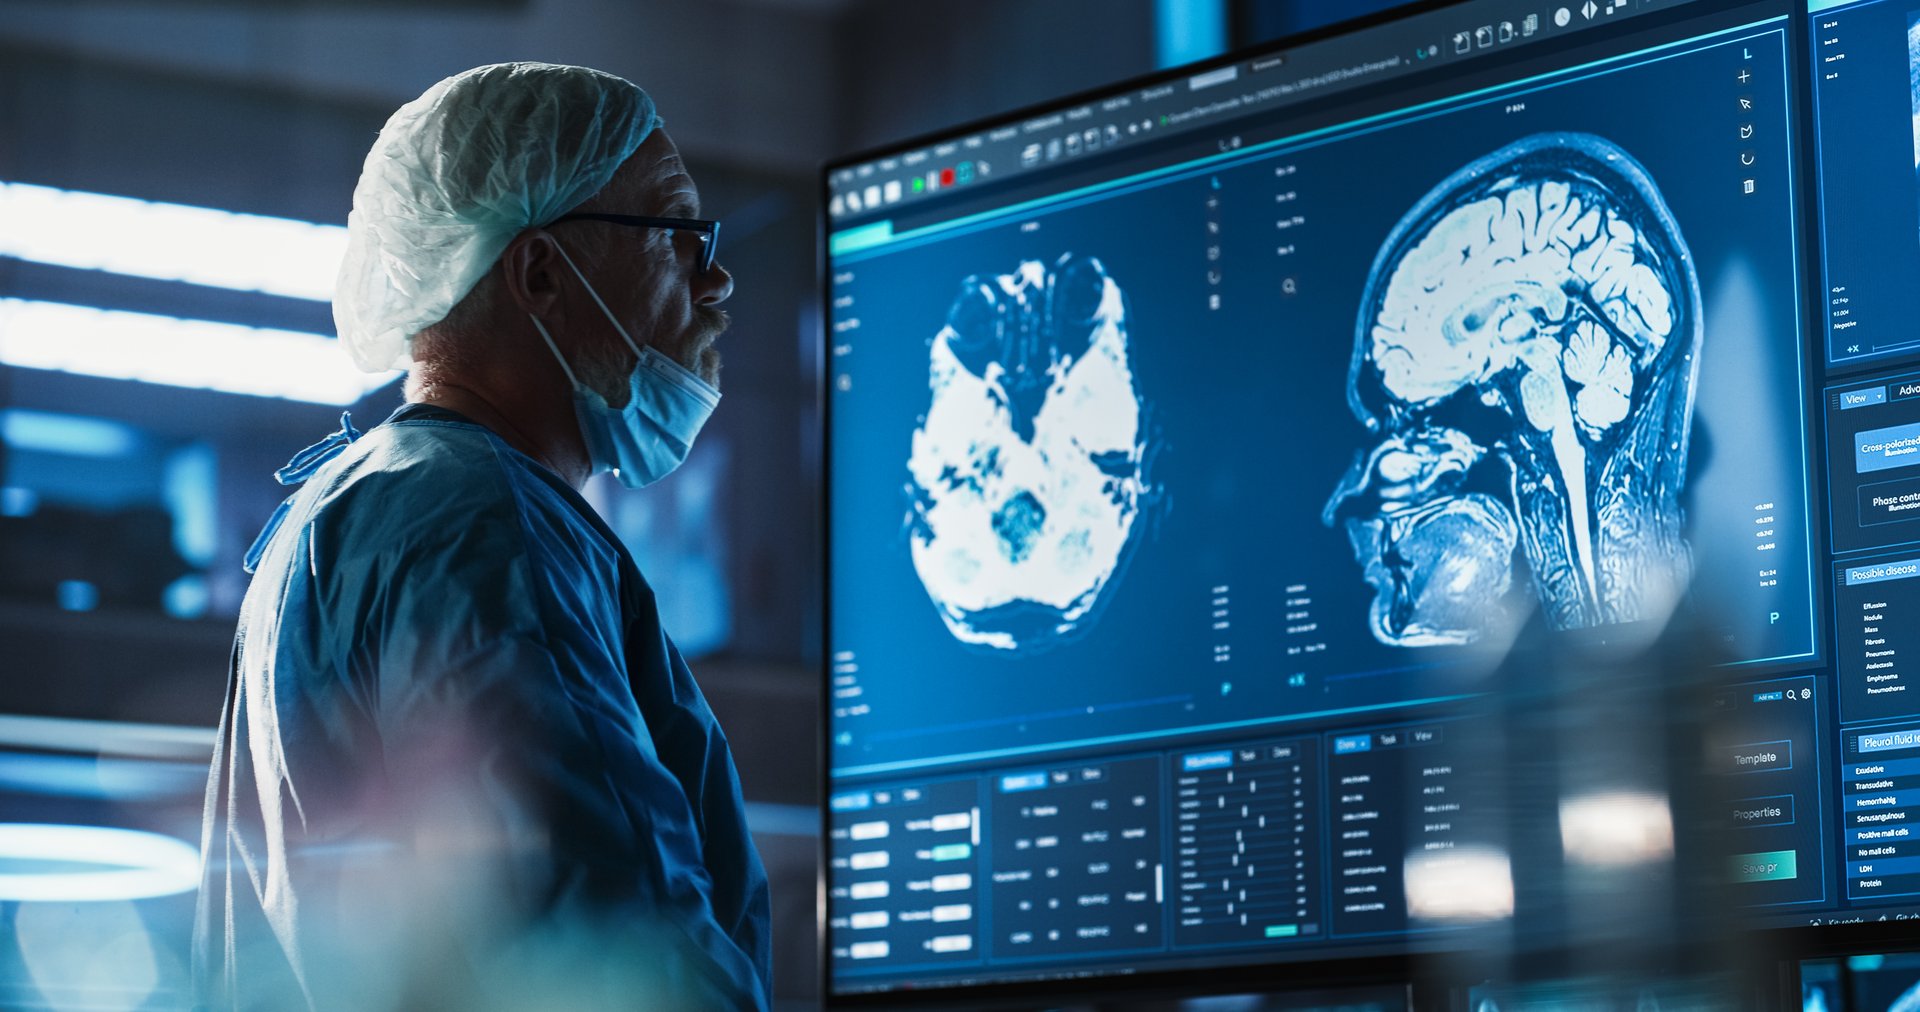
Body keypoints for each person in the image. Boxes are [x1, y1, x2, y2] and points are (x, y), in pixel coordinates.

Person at [192, 63, 770, 1011]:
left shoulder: (348, 512)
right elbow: (616, 956)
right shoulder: (484, 525)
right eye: (676, 234)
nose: (716, 276)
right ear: (541, 272)